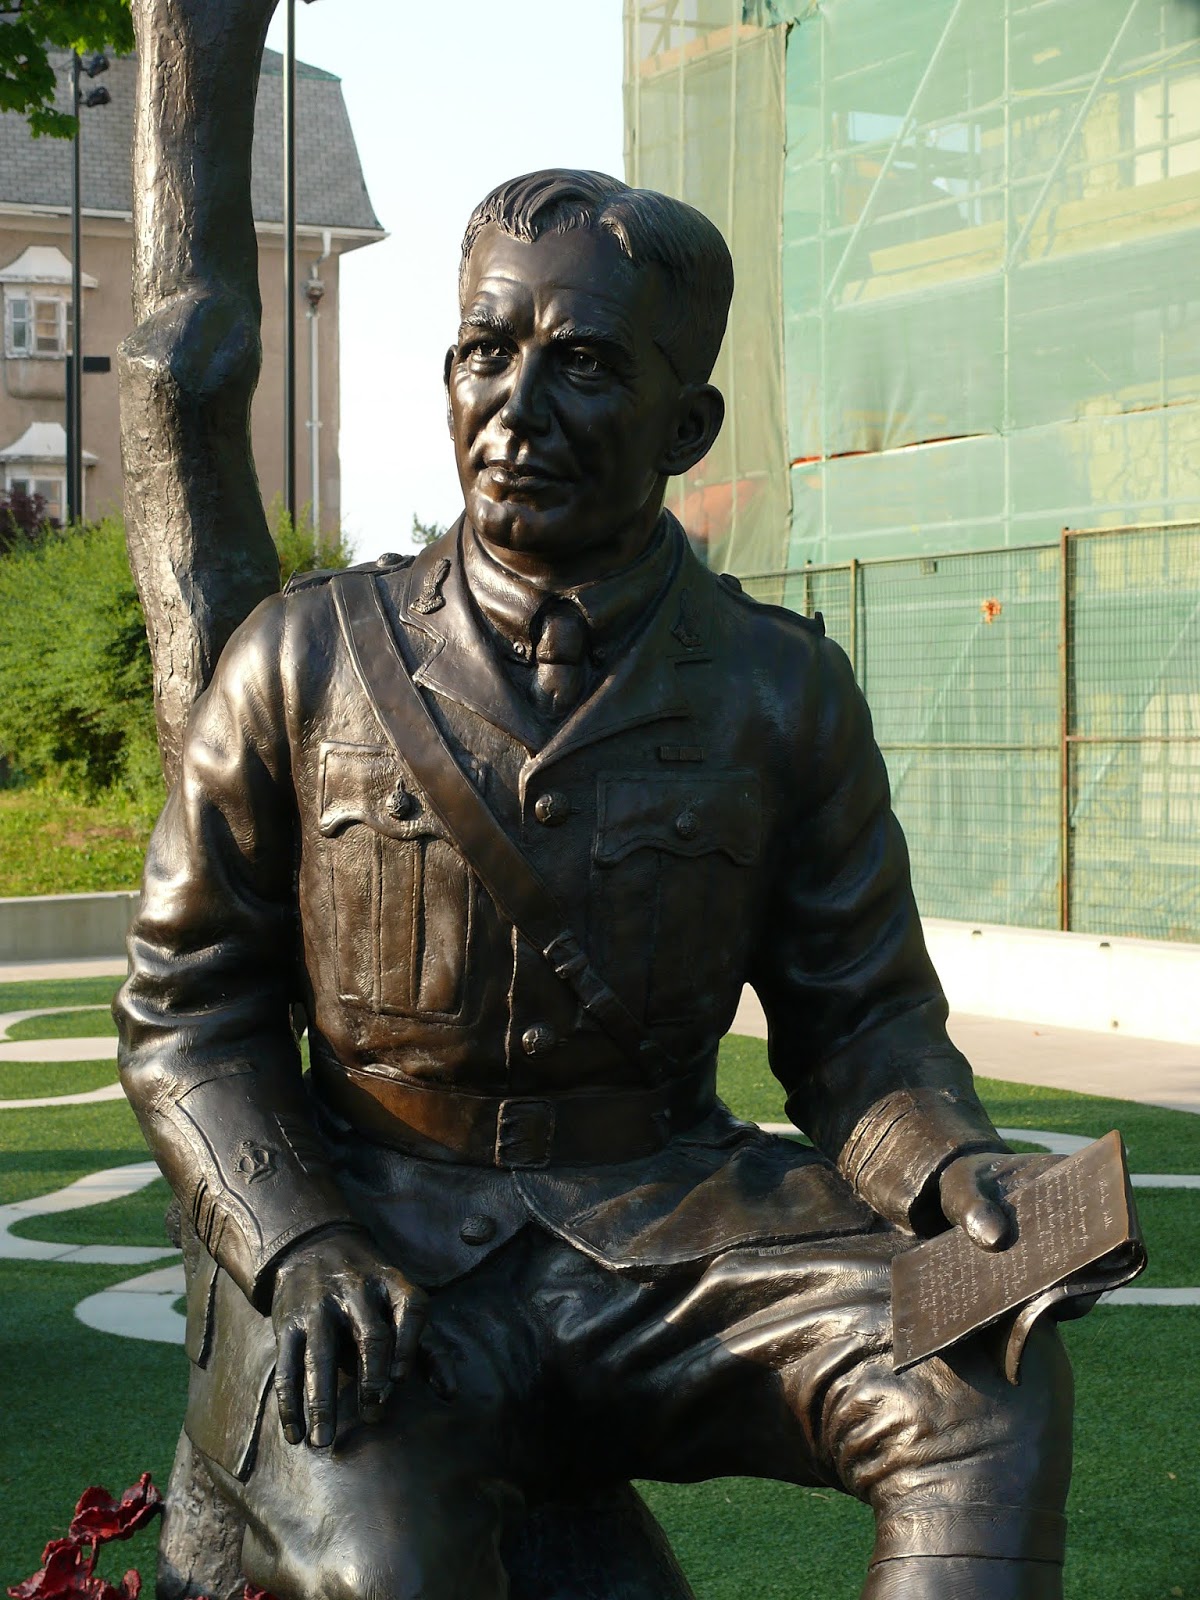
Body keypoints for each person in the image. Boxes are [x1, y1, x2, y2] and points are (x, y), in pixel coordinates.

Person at [115, 169, 1072, 1600]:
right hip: (382, 1244)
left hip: (676, 1232)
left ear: (684, 427)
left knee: (984, 1376)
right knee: (392, 1571)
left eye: (584, 366)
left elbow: (859, 1020)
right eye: (485, 353)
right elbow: (186, 1013)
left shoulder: (780, 690)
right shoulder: (302, 662)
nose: (517, 406)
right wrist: (294, 1236)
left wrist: (951, 1164)